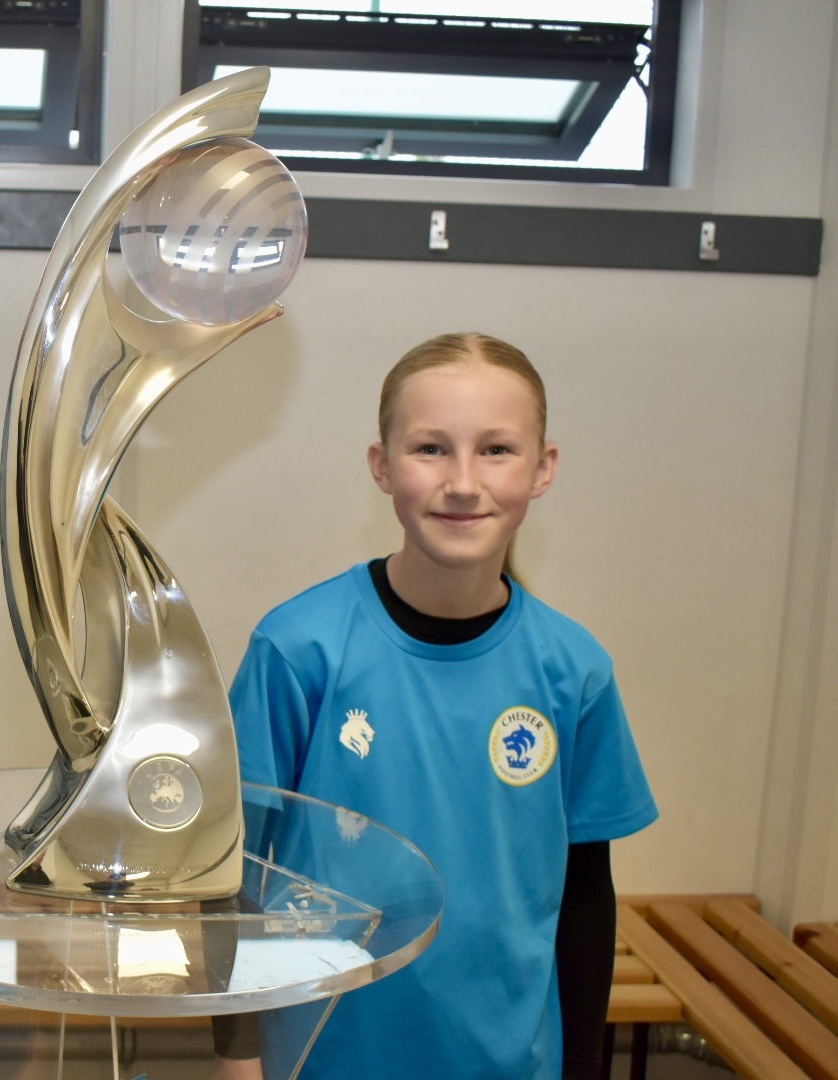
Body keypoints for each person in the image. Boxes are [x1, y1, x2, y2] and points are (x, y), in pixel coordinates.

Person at [217, 333, 657, 1079]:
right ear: (382, 467)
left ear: (543, 468)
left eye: (496, 450)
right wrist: (237, 1057)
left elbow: (585, 898)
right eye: (430, 449)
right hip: (326, 1056)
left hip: (508, 1060)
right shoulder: (299, 650)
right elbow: (236, 877)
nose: (462, 481)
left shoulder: (572, 670)